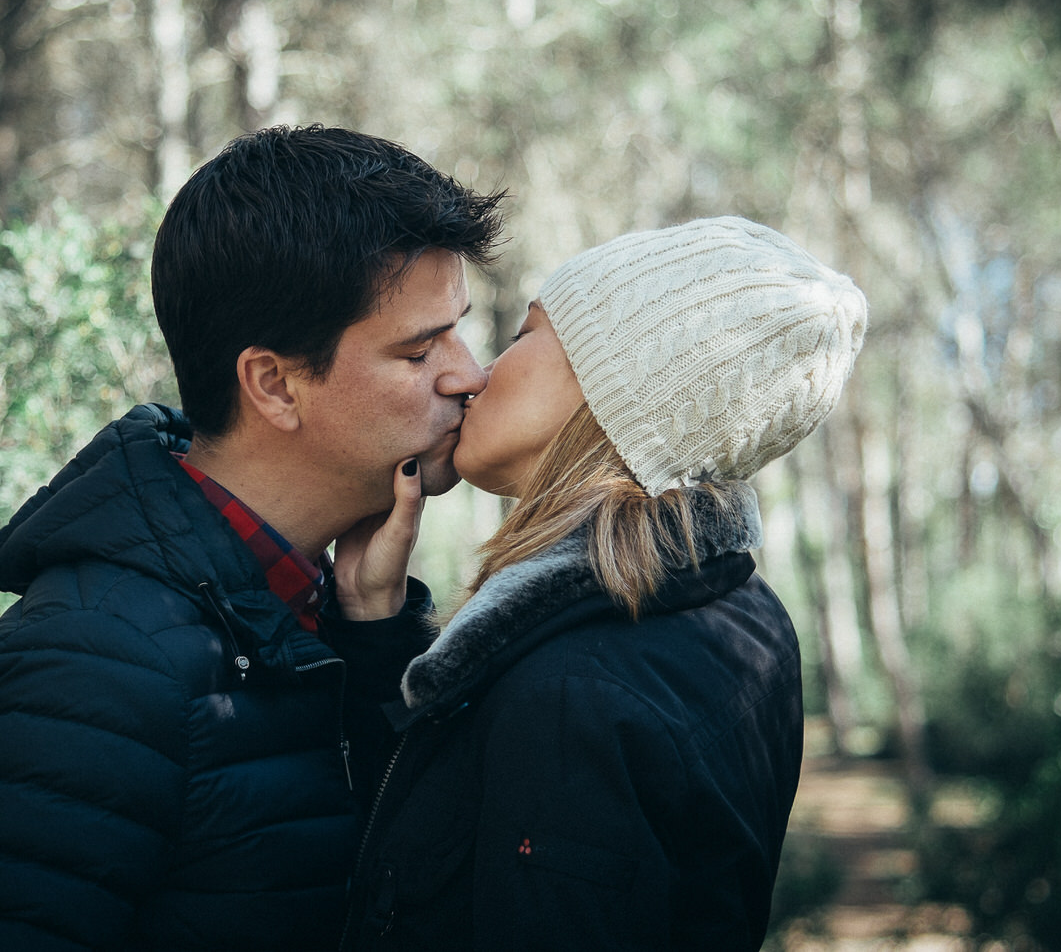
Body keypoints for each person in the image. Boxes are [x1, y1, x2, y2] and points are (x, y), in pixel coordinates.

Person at [0, 125, 506, 950]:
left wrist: (376, 636)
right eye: (419, 348)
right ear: (275, 384)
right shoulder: (86, 668)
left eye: (459, 330)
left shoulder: (317, 609)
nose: (466, 373)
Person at [339, 216, 868, 951]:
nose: (478, 373)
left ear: (610, 388)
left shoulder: (571, 699)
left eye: (525, 335)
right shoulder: (742, 613)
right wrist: (378, 623)